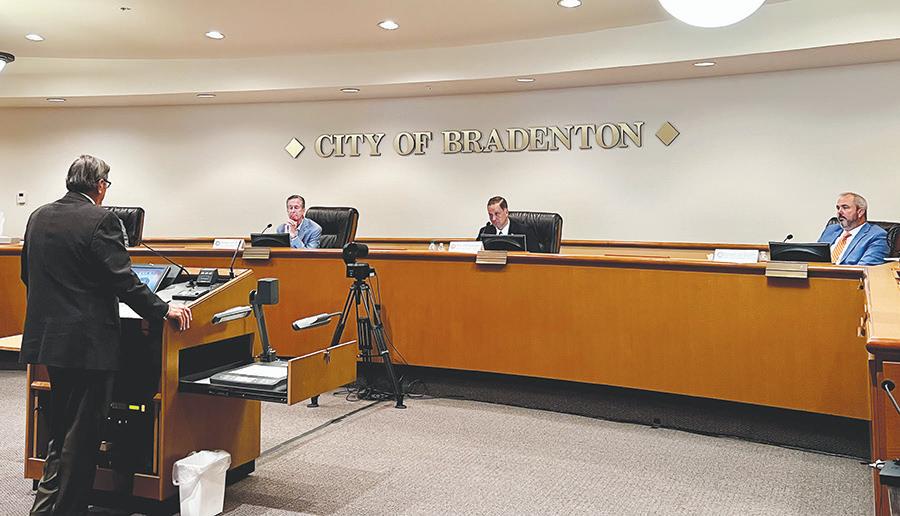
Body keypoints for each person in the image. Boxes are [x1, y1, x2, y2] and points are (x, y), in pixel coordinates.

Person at [20, 155, 192, 515]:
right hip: (88, 346)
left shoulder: (38, 215)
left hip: (50, 340)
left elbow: (26, 274)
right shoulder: (102, 219)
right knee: (81, 437)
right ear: (100, 186)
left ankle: (46, 507)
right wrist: (163, 309)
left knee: (63, 429)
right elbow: (123, 281)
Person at [817, 191, 889, 265]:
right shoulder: (831, 230)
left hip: (848, 272)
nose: (839, 212)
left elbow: (866, 267)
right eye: (838, 208)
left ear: (860, 212)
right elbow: (815, 256)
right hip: (818, 271)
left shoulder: (877, 235)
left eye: (845, 207)